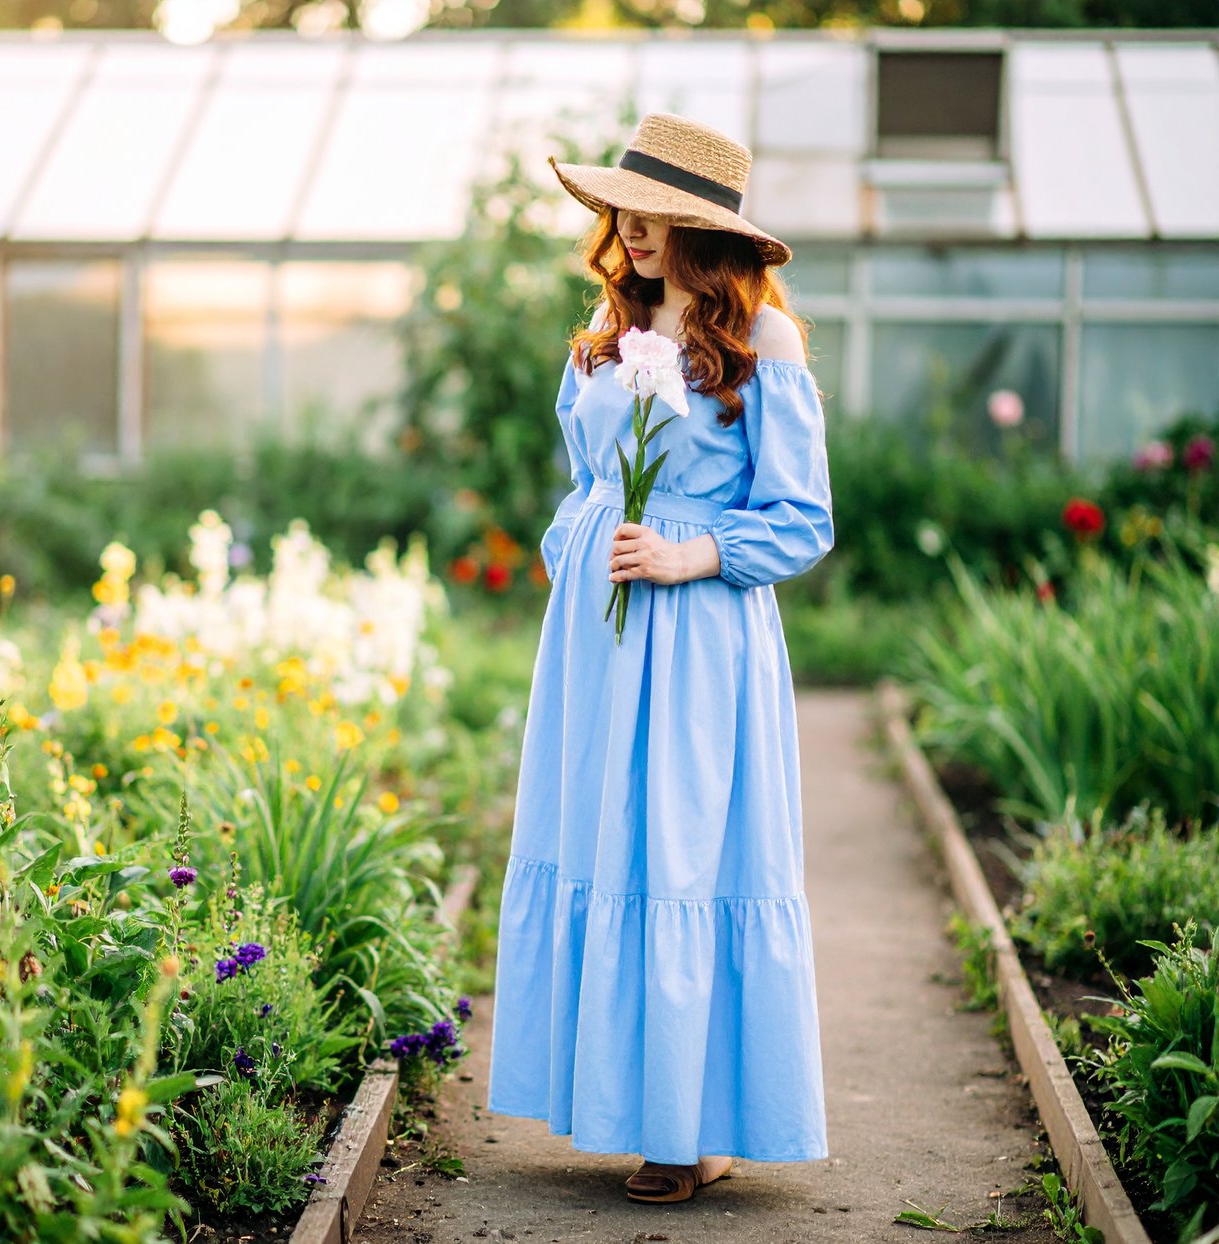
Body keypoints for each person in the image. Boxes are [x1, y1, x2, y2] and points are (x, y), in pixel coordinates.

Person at [484, 112, 834, 1205]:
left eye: (660, 217)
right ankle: (618, 1098)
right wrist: (576, 546)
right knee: (606, 841)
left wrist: (689, 551)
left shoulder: (762, 347)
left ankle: (693, 1130)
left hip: (695, 641)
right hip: (596, 640)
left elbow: (801, 517)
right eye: (623, 211)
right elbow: (586, 474)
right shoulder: (608, 326)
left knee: (682, 850)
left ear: (708, 231)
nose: (632, 231)